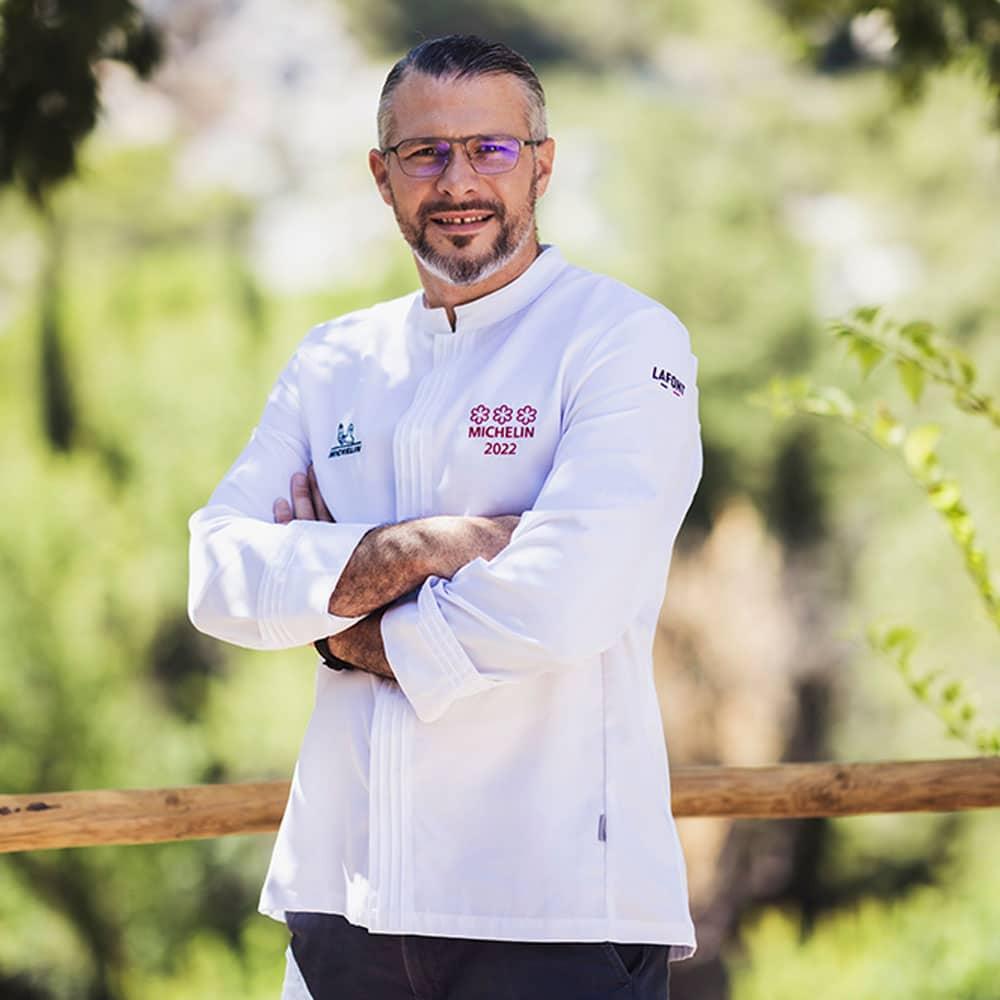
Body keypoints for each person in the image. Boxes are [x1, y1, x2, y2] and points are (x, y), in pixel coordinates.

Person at [188, 34, 701, 1000]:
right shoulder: (333, 360)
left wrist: (334, 621)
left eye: (491, 148)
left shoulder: (624, 340)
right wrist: (436, 546)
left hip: (553, 910)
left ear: (542, 162)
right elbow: (217, 574)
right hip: (344, 896)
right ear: (381, 176)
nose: (458, 180)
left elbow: (567, 601)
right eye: (424, 152)